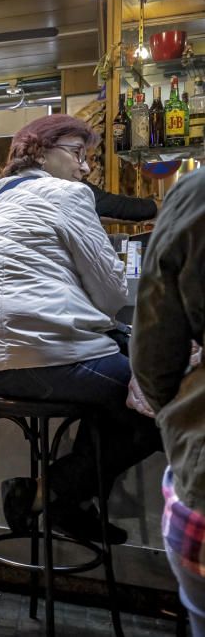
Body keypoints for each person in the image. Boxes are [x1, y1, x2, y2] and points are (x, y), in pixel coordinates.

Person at [0, 114, 162, 546]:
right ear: (40, 152)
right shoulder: (68, 195)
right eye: (79, 154)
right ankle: (54, 494)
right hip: (39, 361)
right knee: (162, 403)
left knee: (116, 398)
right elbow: (112, 294)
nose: (85, 168)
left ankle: (66, 501)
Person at [131, 168, 205, 635]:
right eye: (79, 154)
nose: (84, 166)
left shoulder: (196, 194)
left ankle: (52, 496)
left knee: (127, 401)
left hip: (202, 490)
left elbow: (154, 360)